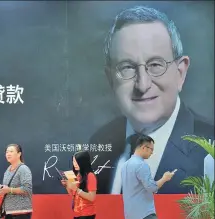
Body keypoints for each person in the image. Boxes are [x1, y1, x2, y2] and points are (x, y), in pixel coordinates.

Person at [90, 5, 214, 194]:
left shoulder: (210, 150)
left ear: (180, 73)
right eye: (127, 67)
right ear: (110, 80)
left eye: (156, 64)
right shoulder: (99, 143)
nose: (142, 84)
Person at [121, 134, 175, 219]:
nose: (152, 152)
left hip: (131, 214)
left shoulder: (125, 165)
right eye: (151, 149)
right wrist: (164, 178)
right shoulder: (141, 165)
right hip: (145, 213)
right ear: (144, 147)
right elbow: (152, 187)